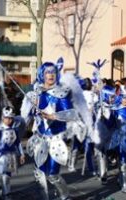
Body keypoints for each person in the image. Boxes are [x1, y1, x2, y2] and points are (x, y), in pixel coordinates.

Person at [25, 62, 83, 200]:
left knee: (53, 175)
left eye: (53, 72)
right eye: (47, 72)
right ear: (42, 74)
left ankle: (64, 196)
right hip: (40, 138)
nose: (50, 75)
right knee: (39, 173)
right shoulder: (37, 92)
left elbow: (71, 114)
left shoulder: (61, 93)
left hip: (55, 139)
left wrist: (53, 116)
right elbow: (31, 115)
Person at [0, 106, 25, 200]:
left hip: (12, 156)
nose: (9, 120)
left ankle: (4, 191)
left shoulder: (15, 129)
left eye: (11, 118)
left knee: (8, 176)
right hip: (2, 156)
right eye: (7, 118)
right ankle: (6, 195)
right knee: (5, 176)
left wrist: (22, 154)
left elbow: (18, 142)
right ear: (3, 118)